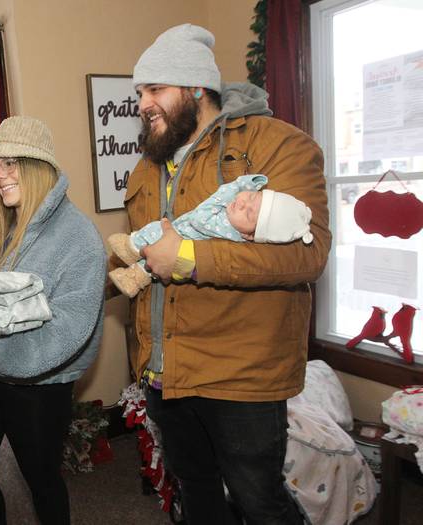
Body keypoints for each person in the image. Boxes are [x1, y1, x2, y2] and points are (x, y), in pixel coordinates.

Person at [117, 24, 331, 524]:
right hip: (165, 371)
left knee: (259, 501)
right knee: (196, 489)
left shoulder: (278, 146)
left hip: (240, 373)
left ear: (195, 87)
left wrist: (190, 258)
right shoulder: (147, 166)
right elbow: (146, 255)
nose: (142, 103)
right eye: (138, 93)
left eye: (154, 89)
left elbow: (308, 254)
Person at [0, 116, 106, 525]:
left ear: (38, 166)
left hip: (40, 388)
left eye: (12, 163)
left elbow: (68, 327)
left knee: (41, 480)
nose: (0, 175)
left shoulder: (79, 238)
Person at [108, 173, 315, 297]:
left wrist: (236, 187)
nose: (242, 203)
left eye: (249, 213)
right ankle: (133, 276)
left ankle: (131, 247)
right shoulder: (236, 227)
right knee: (153, 262)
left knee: (155, 234)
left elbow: (199, 217)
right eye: (251, 196)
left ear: (250, 236)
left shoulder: (225, 226)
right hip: (180, 258)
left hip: (180, 251)